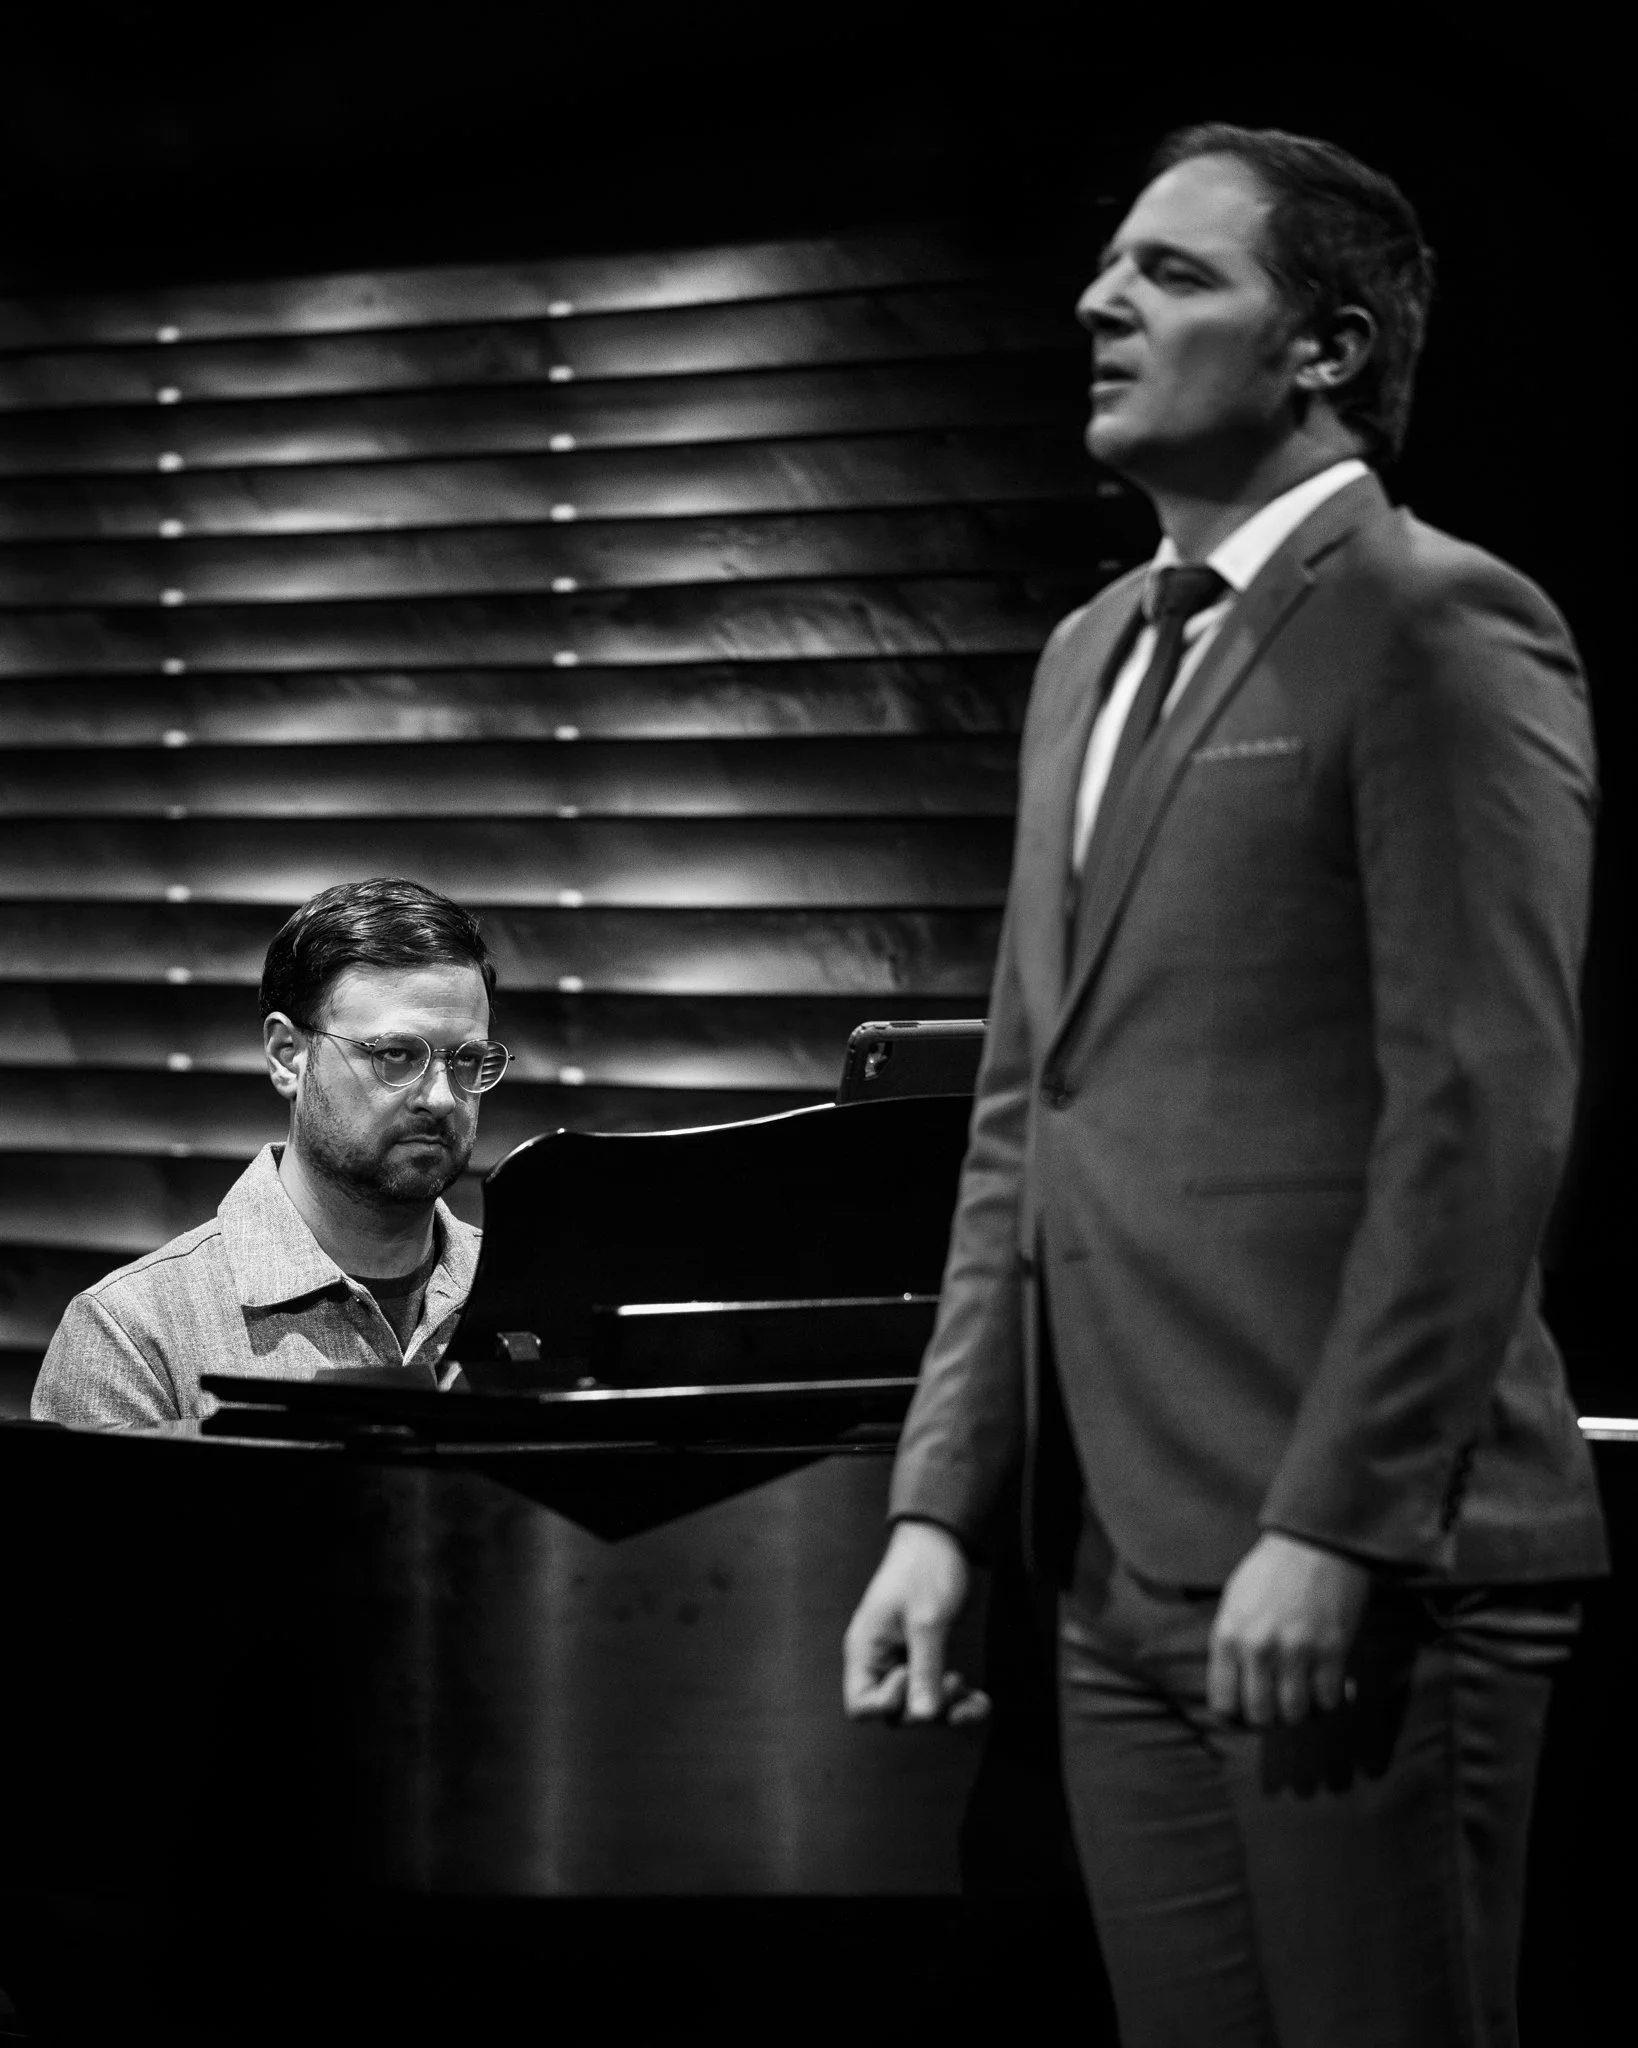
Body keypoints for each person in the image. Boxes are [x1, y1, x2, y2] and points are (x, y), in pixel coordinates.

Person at [843, 123, 1605, 2047]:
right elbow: (1027, 1110)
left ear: (1324, 347)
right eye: (1107, 266)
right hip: (1112, 1568)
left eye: (1175, 274)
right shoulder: (1089, 652)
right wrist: (941, 1504)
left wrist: (1337, 1524)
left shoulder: (1436, 620)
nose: (1101, 301)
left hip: (1357, 1559)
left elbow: (1480, 1112)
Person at [32, 876, 510, 1428]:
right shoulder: (135, 1336)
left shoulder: (530, 1297)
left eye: (468, 1060)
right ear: (288, 1056)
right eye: (397, 1055)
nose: (441, 1097)